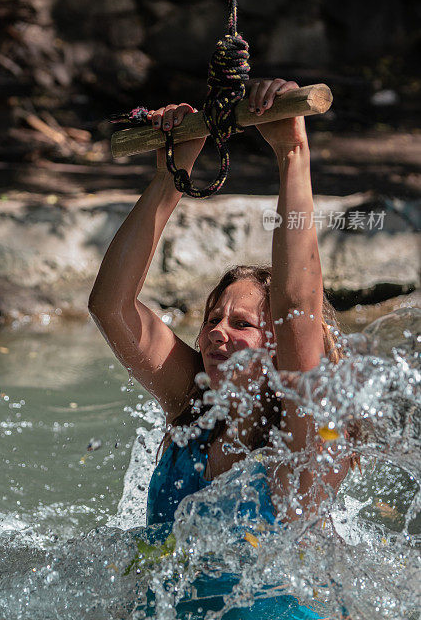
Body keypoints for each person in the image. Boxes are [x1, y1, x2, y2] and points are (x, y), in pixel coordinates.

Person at [89, 79, 352, 619]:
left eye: (242, 323)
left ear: (277, 340)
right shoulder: (193, 407)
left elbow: (300, 304)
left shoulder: (302, 436)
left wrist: (293, 156)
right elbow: (111, 305)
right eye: (212, 319)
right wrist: (170, 176)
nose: (216, 333)